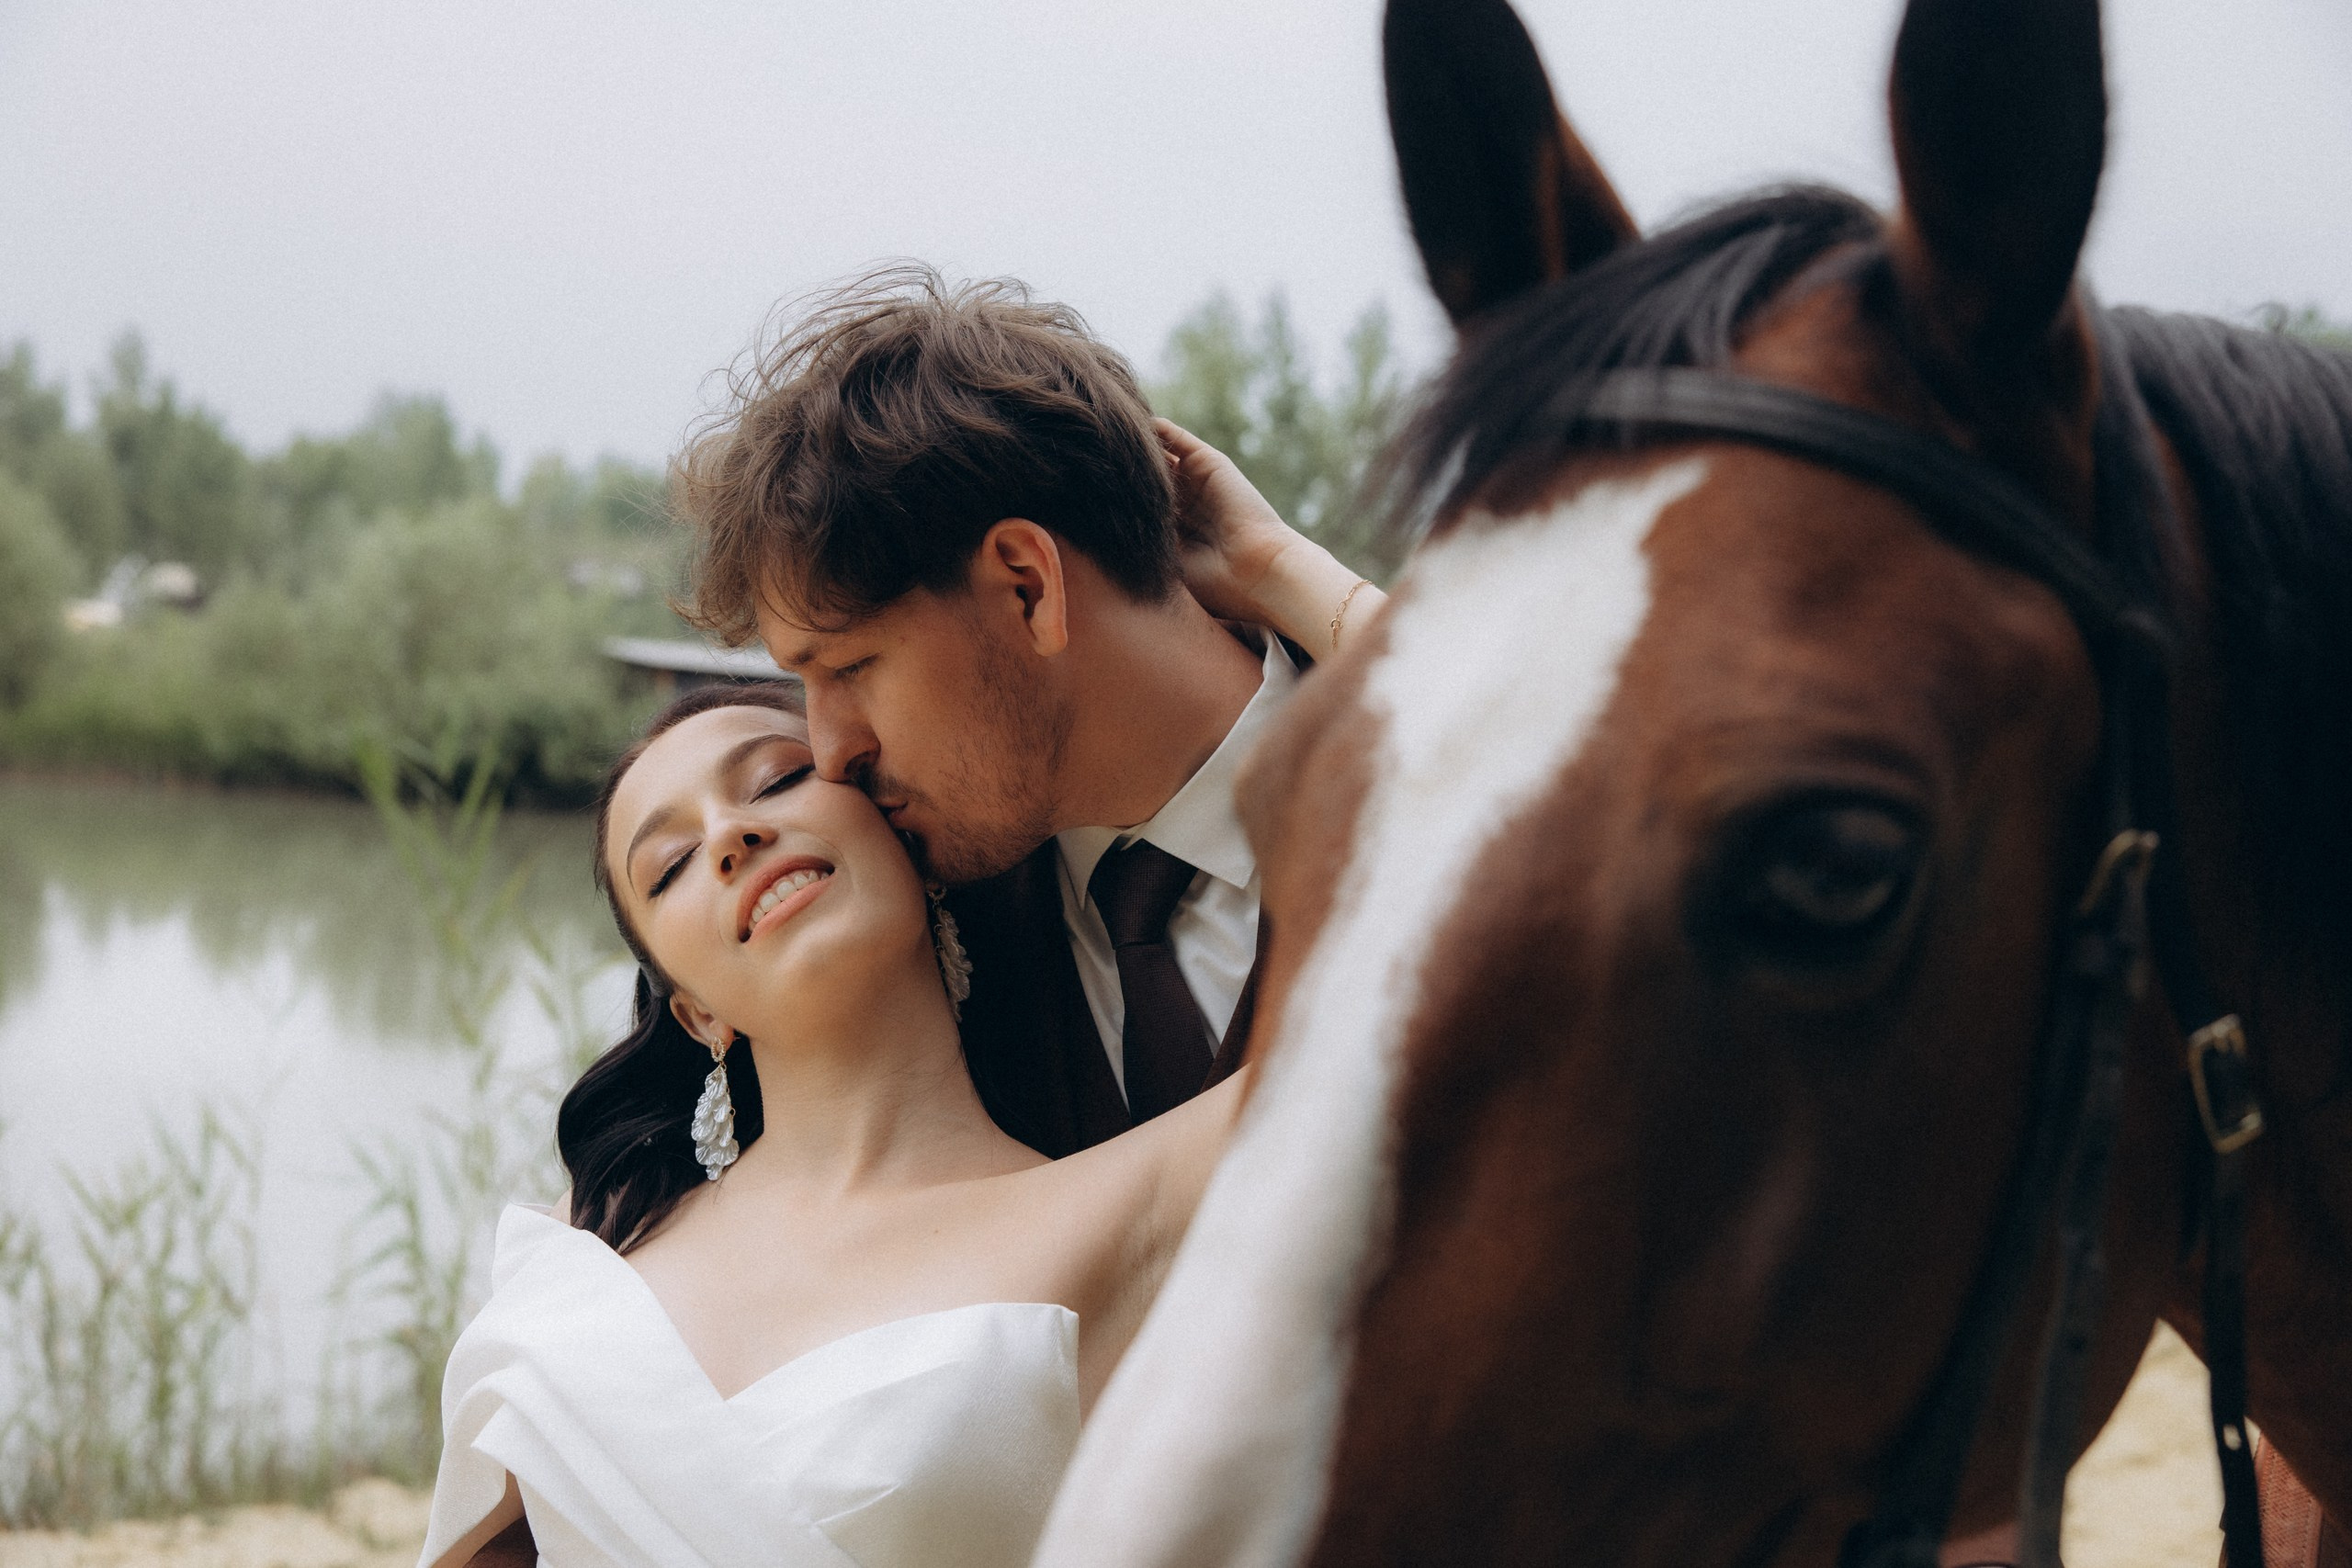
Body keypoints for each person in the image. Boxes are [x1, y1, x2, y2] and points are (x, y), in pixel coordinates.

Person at [674, 266, 1385, 1158]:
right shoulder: (904, 934)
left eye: (850, 666)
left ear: (1025, 587)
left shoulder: (1439, 792)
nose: (829, 750)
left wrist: (1285, 570)